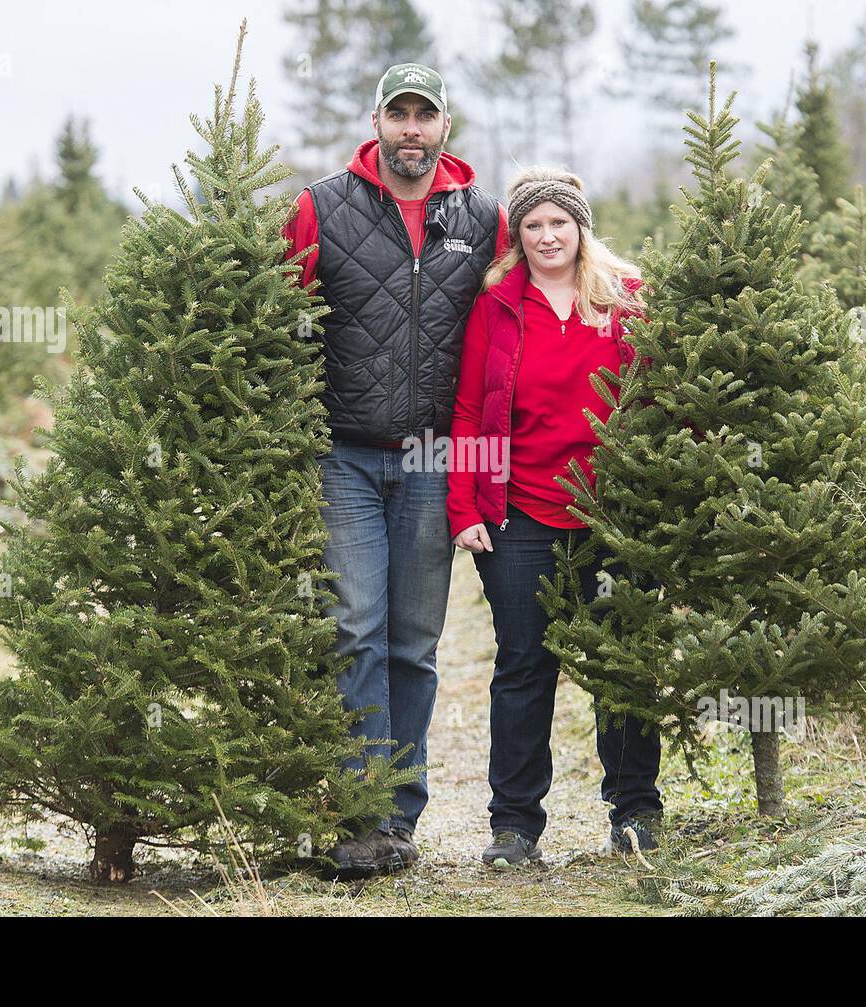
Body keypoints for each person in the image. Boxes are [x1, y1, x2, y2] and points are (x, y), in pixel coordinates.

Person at [282, 62, 509, 878]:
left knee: (413, 642)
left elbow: (527, 300)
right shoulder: (320, 206)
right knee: (354, 629)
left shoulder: (482, 218)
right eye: (399, 114)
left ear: (446, 126)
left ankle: (400, 813)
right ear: (376, 120)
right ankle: (355, 810)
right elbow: (275, 317)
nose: (412, 129)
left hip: (432, 459)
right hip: (342, 452)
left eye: (426, 115)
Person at [447, 167, 664, 869]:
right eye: (533, 225)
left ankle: (634, 811)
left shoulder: (627, 299)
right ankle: (514, 826)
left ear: (581, 228)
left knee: (621, 665)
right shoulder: (497, 306)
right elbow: (470, 410)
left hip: (615, 514)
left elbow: (666, 396)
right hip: (522, 518)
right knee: (523, 665)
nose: (547, 236)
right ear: (518, 235)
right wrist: (465, 503)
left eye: (558, 223)